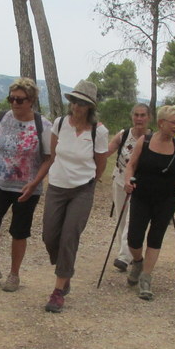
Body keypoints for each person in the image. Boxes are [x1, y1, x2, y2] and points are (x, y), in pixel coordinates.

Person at [0, 78, 54, 292]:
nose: (15, 104)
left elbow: (49, 158)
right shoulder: (2, 118)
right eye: (12, 99)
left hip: (27, 188)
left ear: (31, 101)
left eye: (20, 100)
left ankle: (14, 274)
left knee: (19, 231)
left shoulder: (43, 126)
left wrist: (35, 182)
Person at [42, 79, 110, 313]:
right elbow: (52, 155)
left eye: (82, 103)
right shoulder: (59, 124)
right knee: (50, 236)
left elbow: (101, 163)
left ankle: (58, 291)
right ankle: (65, 270)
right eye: (74, 102)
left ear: (90, 106)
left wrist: (91, 182)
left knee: (69, 236)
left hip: (82, 189)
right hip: (57, 186)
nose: (77, 107)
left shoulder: (99, 132)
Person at [122, 105, 175, 301]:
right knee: (134, 238)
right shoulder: (145, 141)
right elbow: (131, 165)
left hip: (166, 199)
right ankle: (137, 261)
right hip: (141, 195)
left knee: (155, 237)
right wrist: (128, 180)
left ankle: (146, 277)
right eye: (174, 123)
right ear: (161, 123)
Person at [106, 103, 152, 274]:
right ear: (132, 116)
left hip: (140, 186)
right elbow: (106, 152)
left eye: (143, 115)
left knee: (131, 220)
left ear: (149, 117)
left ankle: (124, 257)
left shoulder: (151, 138)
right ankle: (127, 254)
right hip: (119, 181)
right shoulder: (123, 135)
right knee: (121, 218)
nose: (139, 118)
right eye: (136, 115)